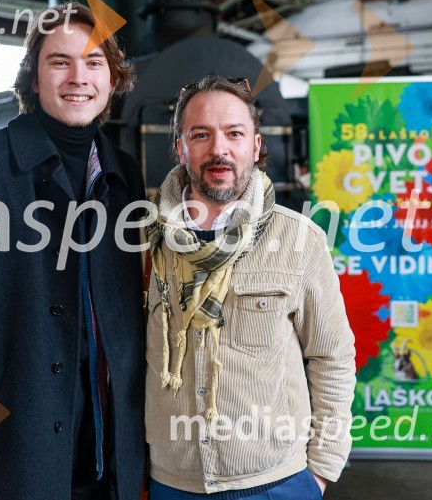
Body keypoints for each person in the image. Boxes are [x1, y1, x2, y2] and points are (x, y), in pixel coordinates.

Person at [0, 1, 146, 500]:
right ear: (34, 80)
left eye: (94, 62)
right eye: (60, 61)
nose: (78, 77)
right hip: (8, 457)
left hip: (108, 456)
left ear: (112, 80)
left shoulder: (125, 178)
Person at [144, 76, 356, 499]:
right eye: (200, 134)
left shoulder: (300, 239)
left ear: (255, 147)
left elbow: (332, 357)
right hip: (172, 482)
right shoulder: (144, 241)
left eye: (234, 133)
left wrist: (321, 470)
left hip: (276, 481)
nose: (219, 149)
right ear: (179, 148)